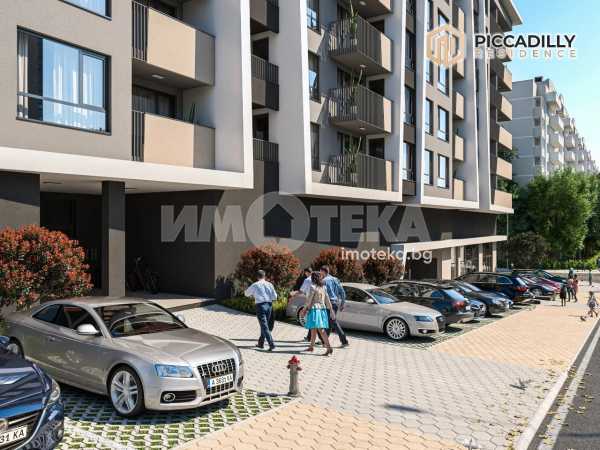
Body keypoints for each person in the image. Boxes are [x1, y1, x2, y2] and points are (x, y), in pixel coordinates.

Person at [301, 272, 334, 356]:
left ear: (313, 278)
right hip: (322, 310)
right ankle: (311, 347)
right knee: (313, 329)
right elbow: (327, 300)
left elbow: (309, 300)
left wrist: (304, 309)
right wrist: (331, 310)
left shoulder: (312, 287)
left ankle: (329, 348)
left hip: (315, 310)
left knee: (320, 330)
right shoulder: (323, 287)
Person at [244, 270, 277, 351]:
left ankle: (271, 344)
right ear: (264, 276)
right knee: (264, 325)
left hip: (260, 306)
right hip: (269, 306)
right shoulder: (270, 284)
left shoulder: (255, 285)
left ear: (257, 277)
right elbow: (275, 297)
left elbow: (246, 294)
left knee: (264, 326)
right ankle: (261, 343)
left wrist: (253, 294)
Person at [320, 266, 349, 347]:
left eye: (320, 272)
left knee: (333, 321)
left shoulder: (324, 281)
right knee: (330, 322)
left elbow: (323, 294)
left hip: (329, 303)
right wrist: (342, 303)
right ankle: (324, 341)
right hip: (336, 303)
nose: (320, 274)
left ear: (323, 272)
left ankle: (344, 341)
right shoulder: (336, 279)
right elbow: (342, 292)